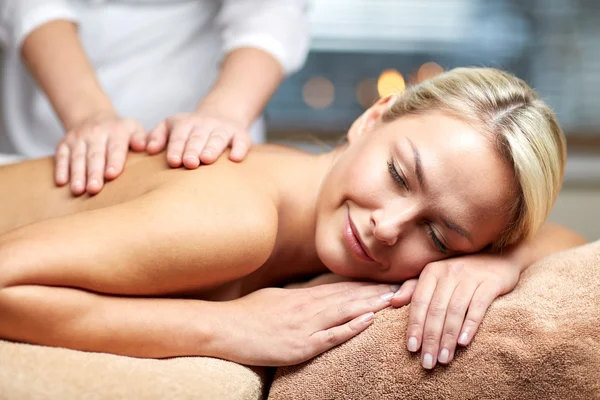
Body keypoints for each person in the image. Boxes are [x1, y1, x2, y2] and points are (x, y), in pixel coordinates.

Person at [0, 68, 586, 370]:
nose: (389, 226)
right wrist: (231, 330)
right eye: (400, 177)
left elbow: (573, 242)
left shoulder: (305, 207)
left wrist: (499, 263)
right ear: (372, 119)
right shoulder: (236, 222)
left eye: (436, 234)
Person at [0, 0, 309, 195]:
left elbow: (271, 11)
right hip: (43, 136)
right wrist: (88, 115)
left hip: (209, 141)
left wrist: (224, 113)